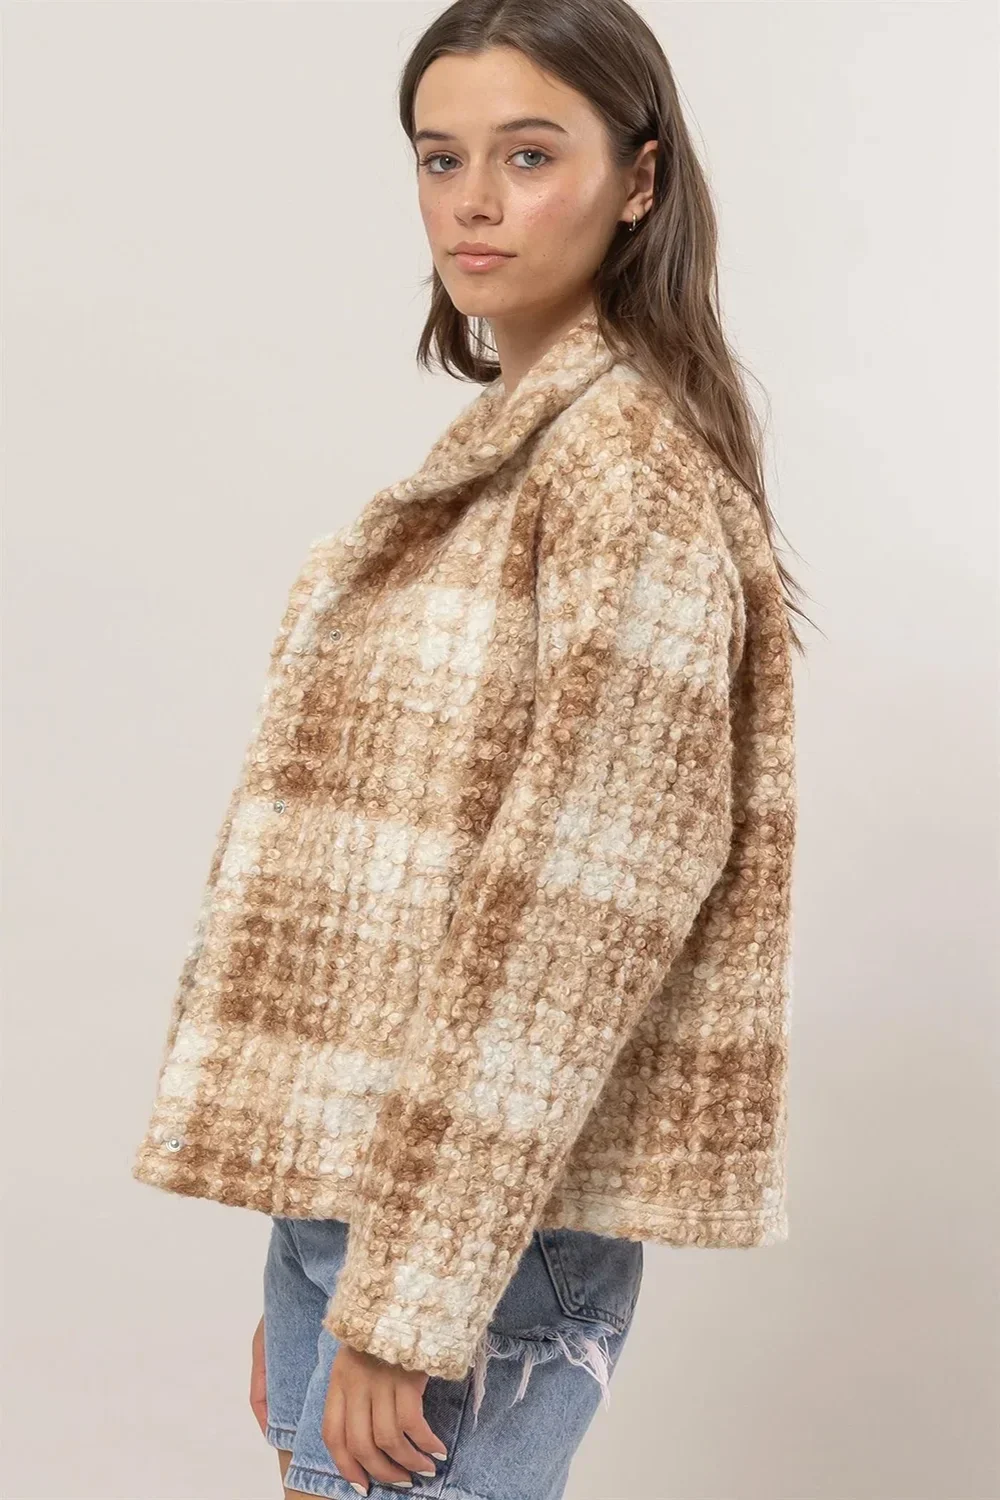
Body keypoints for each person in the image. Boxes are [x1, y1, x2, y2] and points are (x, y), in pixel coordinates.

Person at [131, 1, 807, 1496]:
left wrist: (406, 1304)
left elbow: (579, 919)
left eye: (530, 154)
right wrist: (317, 1271)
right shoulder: (520, 451)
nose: (476, 201)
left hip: (474, 1228)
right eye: (442, 158)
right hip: (388, 1198)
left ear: (639, 180)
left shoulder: (624, 477)